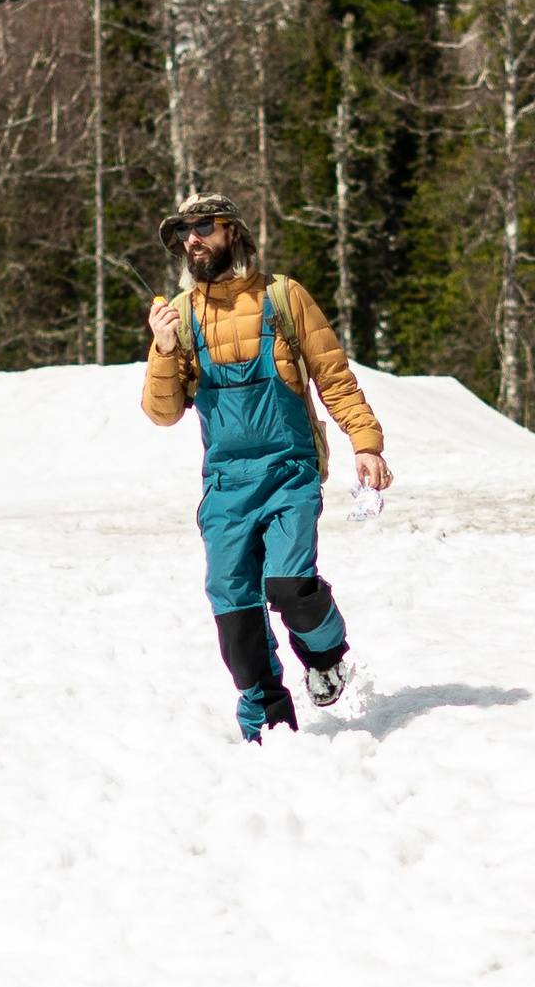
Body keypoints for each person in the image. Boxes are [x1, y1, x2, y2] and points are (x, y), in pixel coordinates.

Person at [141, 192, 393, 742]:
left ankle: (325, 655)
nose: (191, 239)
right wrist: (162, 349)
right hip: (225, 485)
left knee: (289, 586)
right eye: (183, 231)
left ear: (231, 230)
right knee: (232, 605)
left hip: (289, 472)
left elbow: (334, 376)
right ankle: (268, 722)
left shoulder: (283, 297)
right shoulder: (181, 315)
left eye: (202, 226)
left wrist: (366, 443)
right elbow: (162, 413)